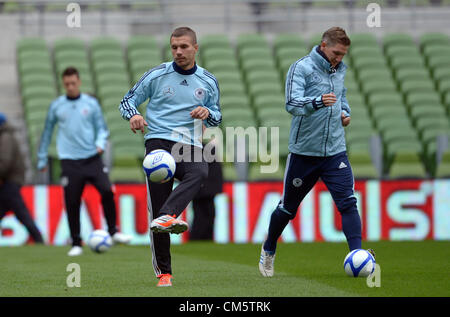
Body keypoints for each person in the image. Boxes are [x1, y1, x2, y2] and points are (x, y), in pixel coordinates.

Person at [258, 27, 375, 277]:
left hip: (335, 151)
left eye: (343, 55)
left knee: (348, 202)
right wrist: (318, 102)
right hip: (304, 153)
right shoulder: (301, 68)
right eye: (336, 53)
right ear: (323, 45)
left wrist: (345, 113)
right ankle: (269, 248)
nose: (339, 59)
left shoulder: (340, 70)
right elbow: (291, 104)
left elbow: (341, 98)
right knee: (288, 208)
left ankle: (358, 254)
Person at [119, 26, 222, 287]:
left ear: (195, 48)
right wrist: (134, 115)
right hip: (159, 141)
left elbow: (218, 115)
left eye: (184, 47)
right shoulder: (157, 75)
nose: (178, 51)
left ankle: (168, 215)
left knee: (200, 172)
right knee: (157, 204)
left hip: (188, 144)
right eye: (174, 47)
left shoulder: (208, 81)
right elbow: (127, 100)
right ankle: (164, 273)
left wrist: (206, 113)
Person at [37, 67, 131, 256]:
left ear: (79, 82)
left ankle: (113, 231)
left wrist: (99, 143)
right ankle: (76, 243)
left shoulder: (91, 104)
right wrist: (41, 158)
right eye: (67, 84)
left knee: (106, 190)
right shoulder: (57, 106)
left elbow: (102, 128)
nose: (70, 87)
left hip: (92, 158)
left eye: (73, 83)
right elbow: (47, 132)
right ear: (63, 84)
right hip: (70, 160)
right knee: (72, 201)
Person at [0, 113, 44, 244]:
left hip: (10, 181)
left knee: (21, 212)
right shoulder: (5, 136)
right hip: (9, 180)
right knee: (17, 211)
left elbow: (4, 161)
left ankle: (38, 239)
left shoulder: (5, 137)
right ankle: (38, 239)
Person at [190, 141, 223, 241]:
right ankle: (200, 239)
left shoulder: (199, 149)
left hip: (201, 190)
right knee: (204, 216)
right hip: (205, 191)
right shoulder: (206, 148)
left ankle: (200, 239)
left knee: (203, 216)